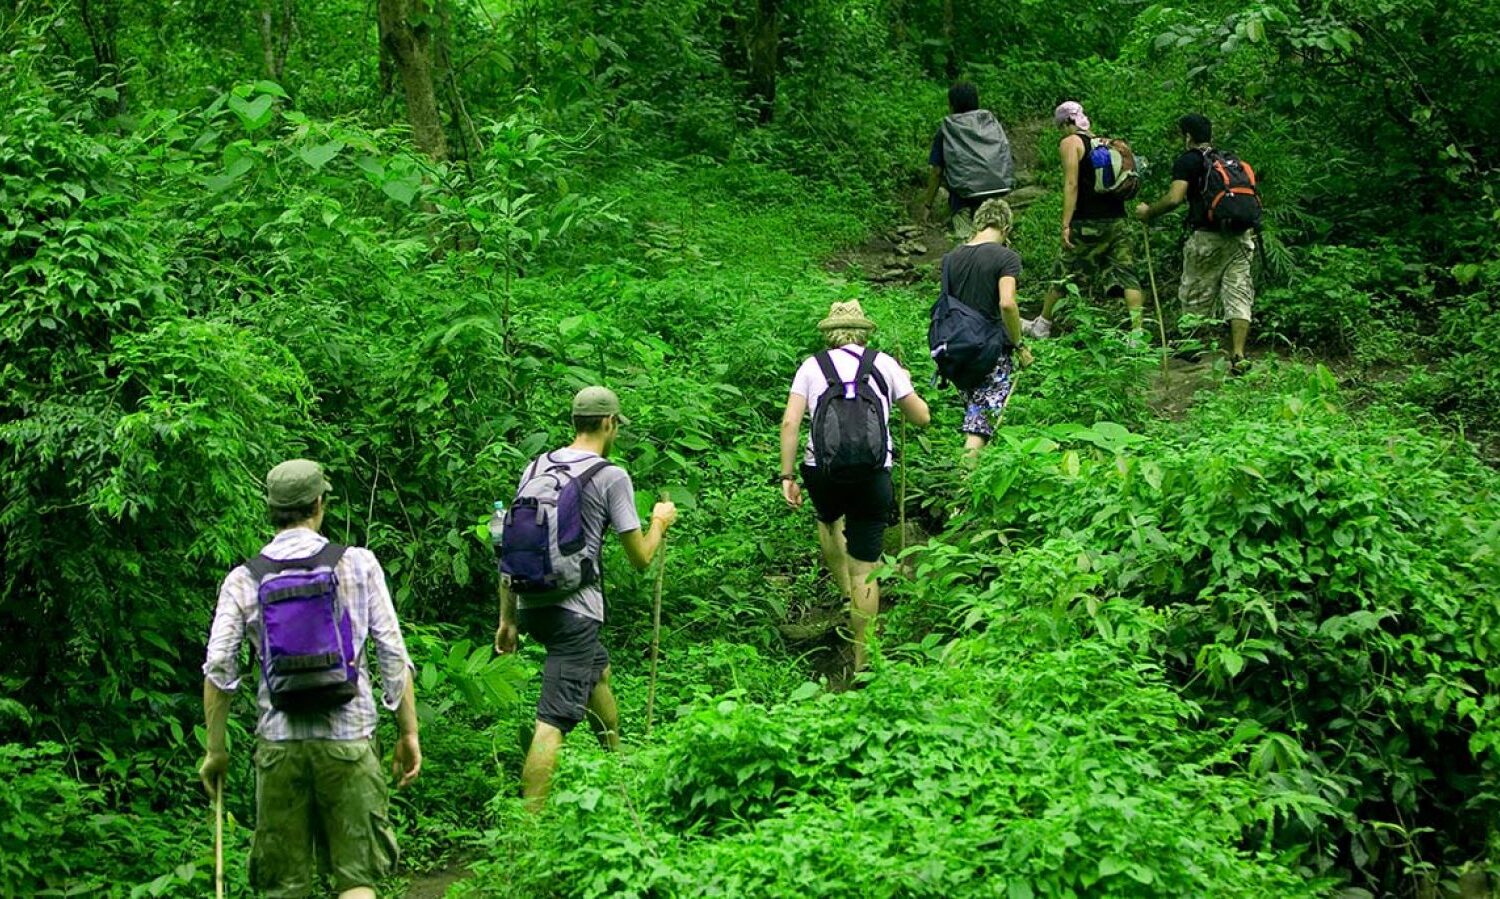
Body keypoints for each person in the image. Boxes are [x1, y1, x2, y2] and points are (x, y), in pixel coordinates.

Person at [200, 459, 421, 899]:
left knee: (286, 888)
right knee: (357, 879)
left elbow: (219, 669)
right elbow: (393, 653)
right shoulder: (358, 564)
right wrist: (408, 731)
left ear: (271, 510)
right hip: (350, 738)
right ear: (319, 504)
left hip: (280, 745)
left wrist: (216, 749)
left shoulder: (244, 579)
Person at [493, 386, 678, 812]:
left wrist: (509, 619)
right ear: (610, 423)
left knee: (599, 674)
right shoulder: (610, 476)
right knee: (552, 722)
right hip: (574, 611)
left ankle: (618, 772)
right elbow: (640, 558)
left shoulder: (535, 466)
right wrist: (659, 522)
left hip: (530, 603)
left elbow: (510, 544)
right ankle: (528, 830)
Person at [778, 301, 931, 673]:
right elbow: (922, 417)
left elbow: (790, 424)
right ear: (864, 331)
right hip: (873, 474)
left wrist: (786, 476)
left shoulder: (811, 366)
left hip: (822, 471)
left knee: (828, 518)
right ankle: (864, 661)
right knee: (866, 567)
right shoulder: (884, 364)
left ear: (829, 333)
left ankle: (845, 595)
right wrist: (903, 381)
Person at [1135, 113, 1258, 373]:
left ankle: (1191, 347)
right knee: (1238, 292)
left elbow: (1174, 198)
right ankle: (1238, 353)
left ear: (1187, 135)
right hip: (1241, 236)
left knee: (1195, 290)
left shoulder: (1189, 161)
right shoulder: (1228, 159)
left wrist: (1148, 212)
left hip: (1207, 237)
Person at [1026, 100, 1145, 340]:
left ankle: (1043, 325)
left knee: (1065, 271)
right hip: (1118, 221)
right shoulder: (1104, 143)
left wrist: (1066, 224)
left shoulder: (1071, 143)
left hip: (1087, 223)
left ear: (1066, 123)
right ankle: (1138, 334)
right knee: (1127, 274)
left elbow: (1072, 184)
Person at [938, 199, 1036, 457]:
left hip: (956, 349)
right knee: (979, 427)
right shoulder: (1006, 257)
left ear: (978, 223)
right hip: (990, 350)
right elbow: (1007, 303)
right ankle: (966, 482)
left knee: (974, 412)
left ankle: (971, 475)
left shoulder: (951, 258)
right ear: (1005, 227)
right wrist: (1019, 345)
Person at [919, 81, 1015, 240]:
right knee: (994, 242)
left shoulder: (947, 129)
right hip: (994, 196)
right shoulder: (989, 123)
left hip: (962, 200)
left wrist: (927, 206)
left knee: (966, 243)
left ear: (952, 105)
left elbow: (937, 172)